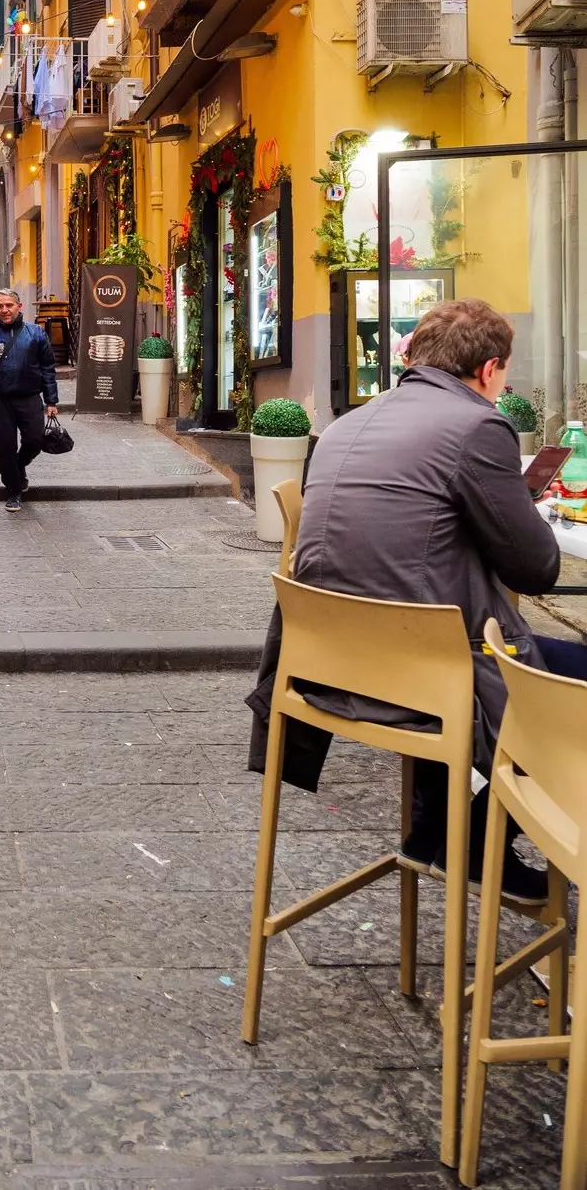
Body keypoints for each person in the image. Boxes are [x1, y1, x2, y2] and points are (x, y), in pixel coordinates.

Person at [251, 297, 586, 904]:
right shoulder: (478, 426)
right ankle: (466, 836)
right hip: (420, 680)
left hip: (325, 668)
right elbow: (536, 567)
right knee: (551, 679)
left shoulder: (347, 424)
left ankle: (438, 834)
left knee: (452, 624)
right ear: (489, 370)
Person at [0, 289, 60, 514]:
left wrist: (51, 401)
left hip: (29, 398)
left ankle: (17, 467)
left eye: (9, 305)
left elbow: (48, 368)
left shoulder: (36, 333)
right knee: (5, 447)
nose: (5, 310)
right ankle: (14, 491)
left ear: (19, 307)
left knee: (35, 440)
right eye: (0, 306)